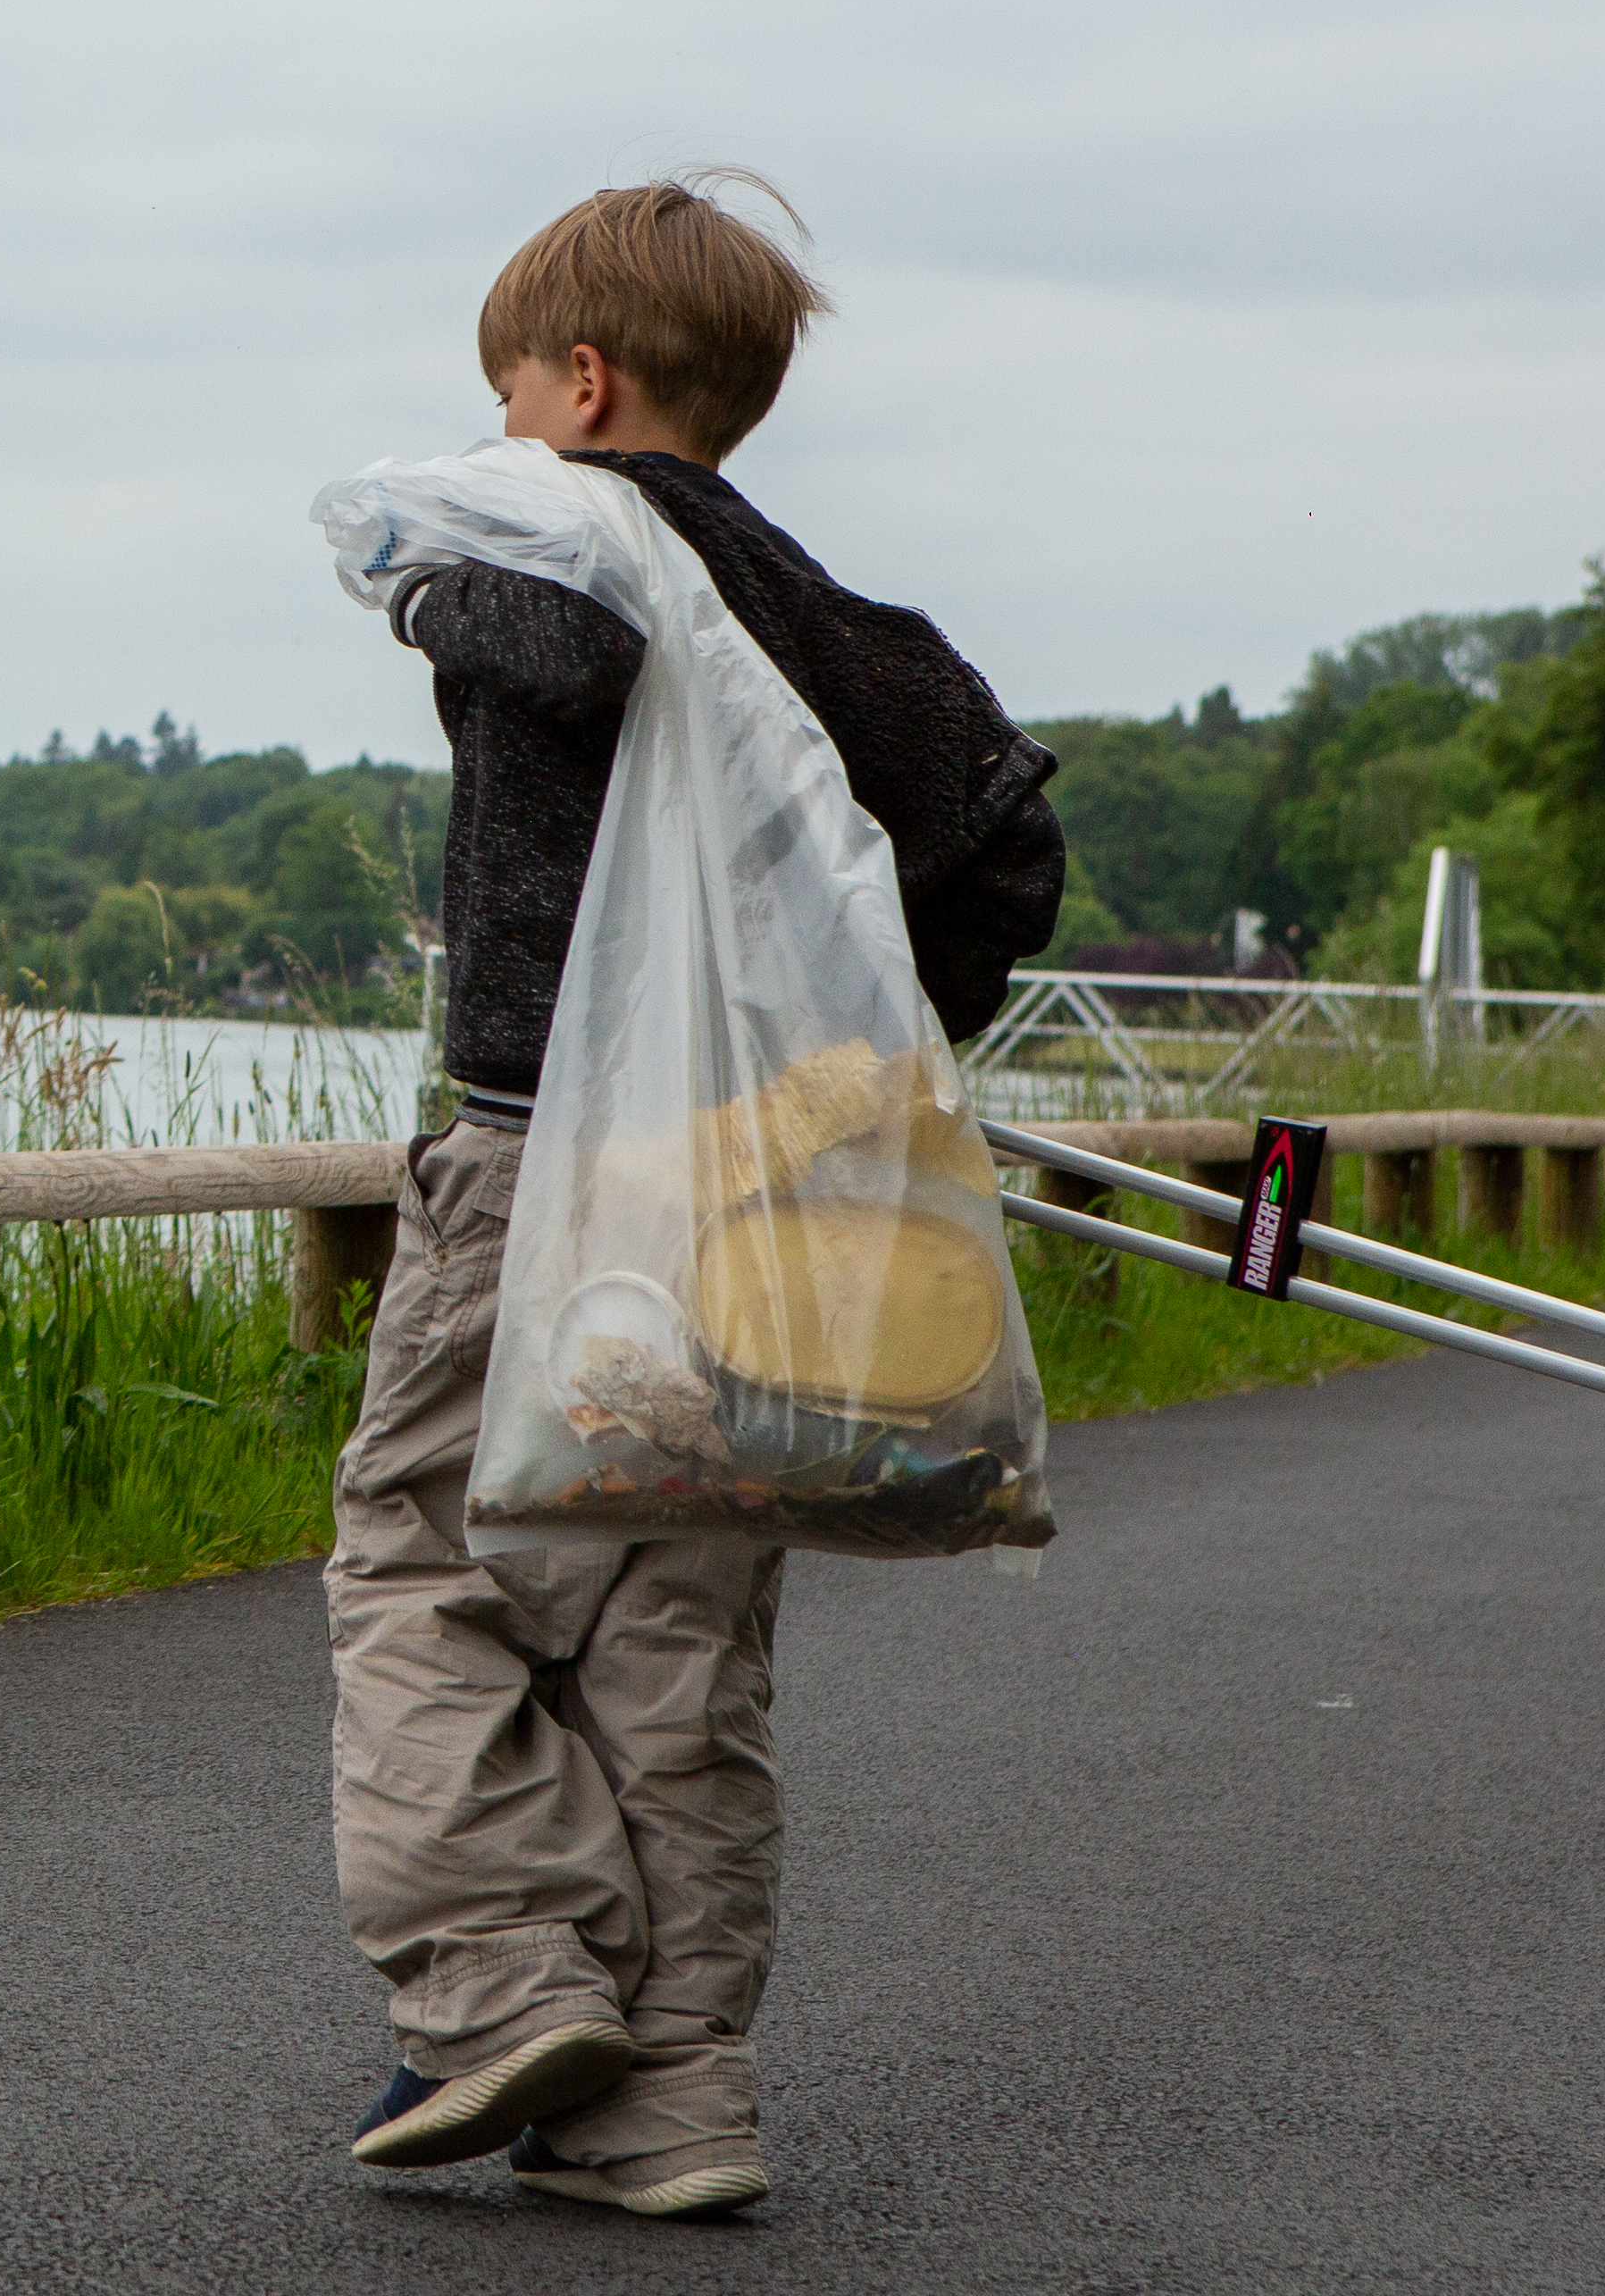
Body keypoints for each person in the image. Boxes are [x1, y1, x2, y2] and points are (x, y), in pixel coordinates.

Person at [330, 175, 1063, 2220]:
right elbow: (1002, 842)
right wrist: (855, 1056)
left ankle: (497, 1980)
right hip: (772, 1210)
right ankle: (672, 2104)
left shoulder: (558, 540)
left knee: (427, 1567)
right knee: (676, 1634)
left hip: (537, 1171)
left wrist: (421, 564)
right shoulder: (836, 626)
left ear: (577, 386)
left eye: (501, 408)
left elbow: (550, 634)